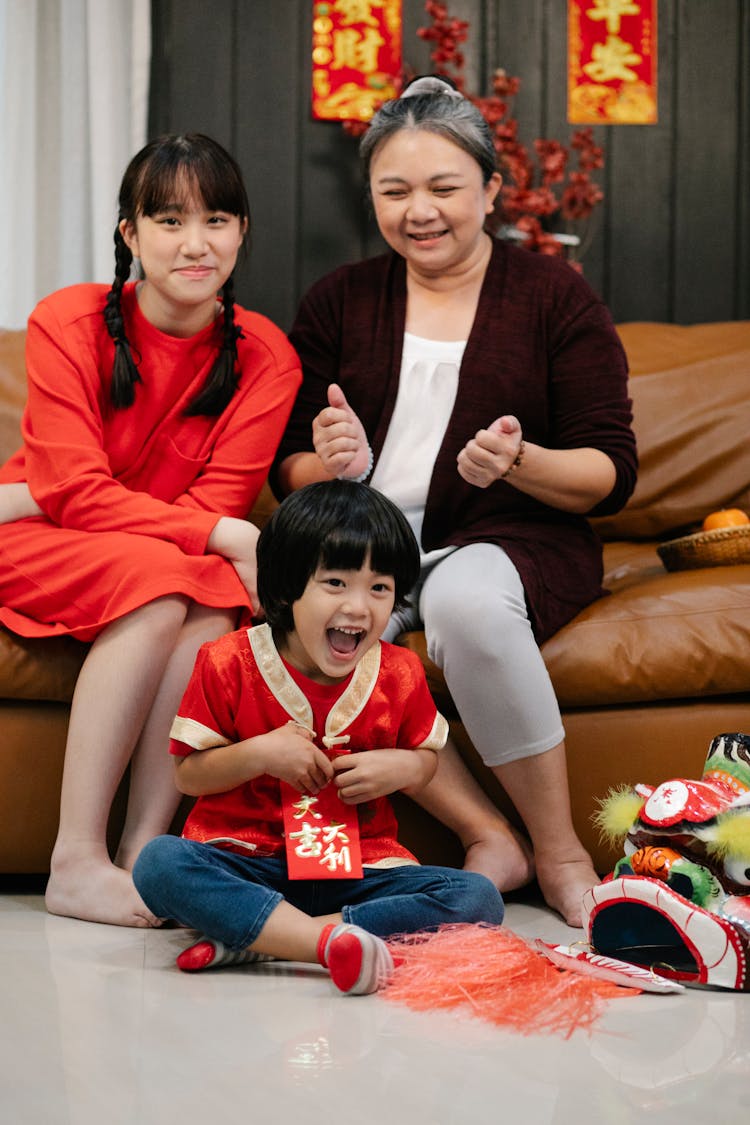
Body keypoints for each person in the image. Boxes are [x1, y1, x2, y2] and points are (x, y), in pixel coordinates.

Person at [271, 76, 638, 928]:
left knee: (469, 604)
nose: (419, 211)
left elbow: (610, 473)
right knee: (307, 643)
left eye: (444, 188)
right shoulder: (340, 299)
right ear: (370, 197)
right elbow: (284, 461)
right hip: (364, 546)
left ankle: (557, 851)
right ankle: (486, 836)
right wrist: (321, 466)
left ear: (491, 190)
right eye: (395, 191)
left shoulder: (554, 297)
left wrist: (520, 462)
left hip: (506, 537)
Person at [0, 133, 302, 927]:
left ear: (243, 232)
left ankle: (143, 852)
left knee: (203, 595)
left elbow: (219, 497)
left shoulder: (268, 358)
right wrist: (222, 535)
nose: (194, 243)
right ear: (130, 234)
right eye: (168, 220)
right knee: (170, 577)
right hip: (36, 540)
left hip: (148, 550)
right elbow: (72, 490)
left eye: (217, 219)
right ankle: (74, 860)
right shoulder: (66, 322)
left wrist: (218, 534)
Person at [132, 480, 504, 994]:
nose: (359, 607)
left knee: (478, 897)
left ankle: (265, 938)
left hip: (360, 872)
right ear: (286, 588)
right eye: (336, 583)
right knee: (158, 865)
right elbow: (188, 774)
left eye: (379, 588)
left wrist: (404, 767)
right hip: (247, 863)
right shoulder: (227, 661)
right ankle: (321, 941)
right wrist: (260, 753)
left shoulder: (399, 672)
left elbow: (425, 758)